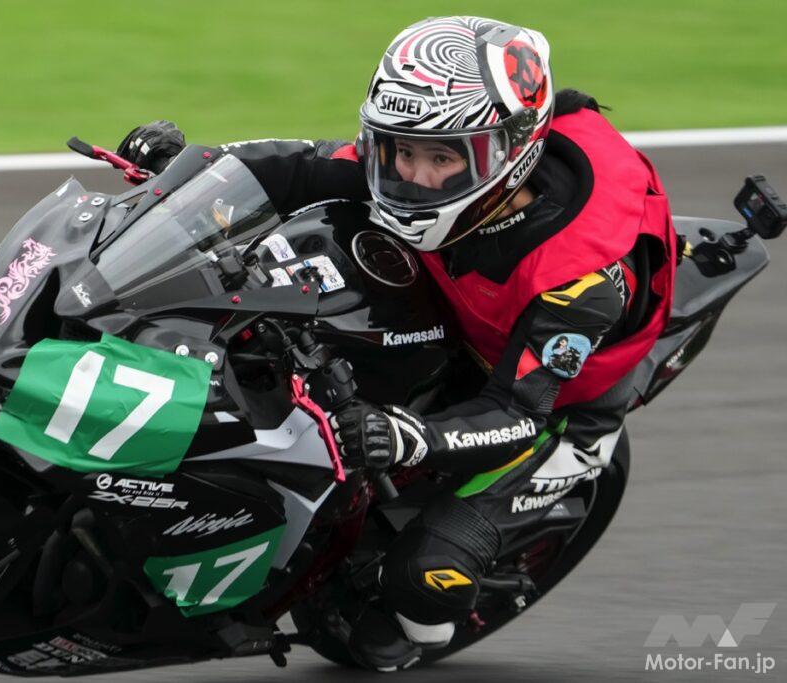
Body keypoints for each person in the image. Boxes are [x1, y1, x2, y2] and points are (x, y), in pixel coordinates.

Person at [118, 15, 677, 671]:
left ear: (509, 154)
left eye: (441, 159)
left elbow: (520, 412)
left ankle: (427, 624)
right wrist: (184, 176)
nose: (413, 175)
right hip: (461, 315)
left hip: (556, 407)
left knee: (420, 587)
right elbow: (290, 169)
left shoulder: (579, 279)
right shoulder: (425, 153)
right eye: (400, 150)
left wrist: (409, 437)